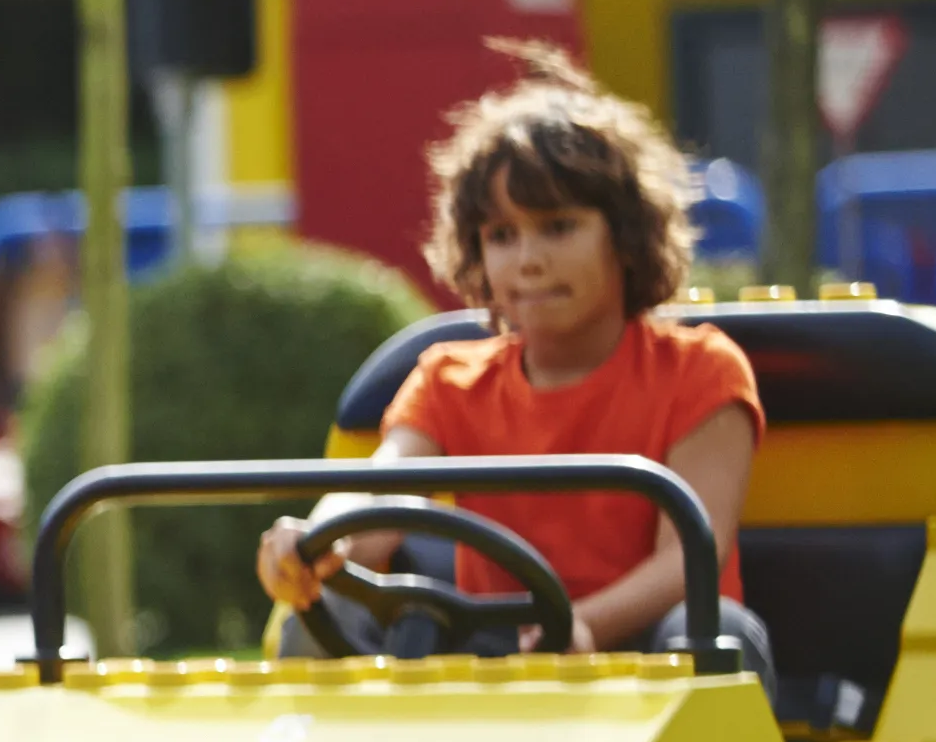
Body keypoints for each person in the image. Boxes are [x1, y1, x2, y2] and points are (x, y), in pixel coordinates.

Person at [257, 47, 768, 668]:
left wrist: (581, 626)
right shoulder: (448, 382)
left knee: (717, 633)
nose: (528, 259)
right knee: (323, 615)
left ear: (628, 237)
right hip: (499, 654)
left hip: (644, 652)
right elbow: (376, 493)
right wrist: (310, 542)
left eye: (557, 227)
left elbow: (689, 558)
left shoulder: (702, 371)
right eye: (502, 236)